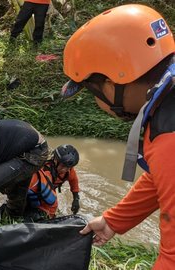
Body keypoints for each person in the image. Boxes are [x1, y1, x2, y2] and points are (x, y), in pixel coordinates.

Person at [60, 4, 175, 268]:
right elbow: (163, 177)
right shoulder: (168, 100)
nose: (99, 104)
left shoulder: (169, 135)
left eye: (93, 93)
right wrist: (113, 221)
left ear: (113, 82)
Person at [24, 144, 80, 221]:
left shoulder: (69, 170)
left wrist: (76, 198)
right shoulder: (45, 171)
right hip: (38, 188)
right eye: (63, 166)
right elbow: (52, 202)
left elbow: (74, 181)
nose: (65, 169)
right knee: (47, 201)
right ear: (55, 160)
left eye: (69, 167)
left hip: (50, 187)